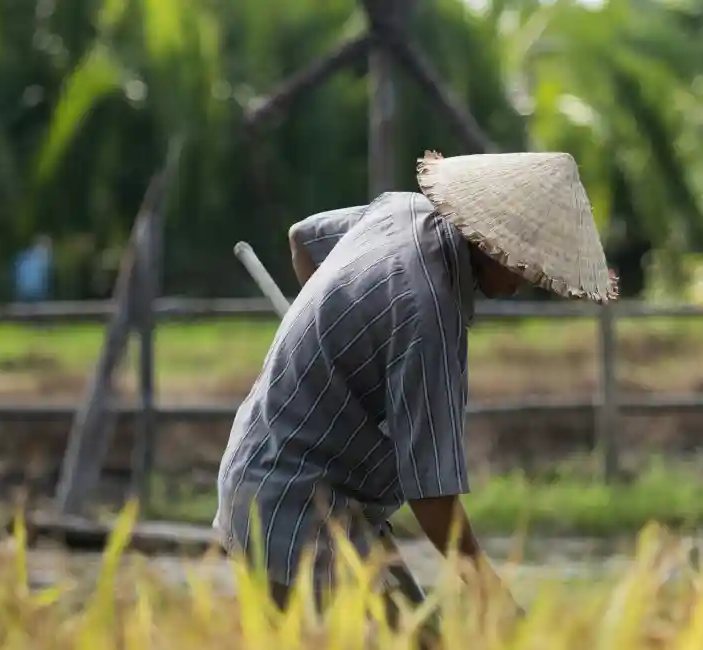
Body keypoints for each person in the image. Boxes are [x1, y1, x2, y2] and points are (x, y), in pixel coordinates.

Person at [213, 150, 616, 612]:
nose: (533, 275)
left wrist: (341, 341)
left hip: (303, 485)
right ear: (491, 240)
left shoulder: (400, 210)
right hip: (288, 504)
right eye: (528, 259)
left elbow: (303, 239)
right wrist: (491, 596)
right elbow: (432, 493)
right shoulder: (428, 314)